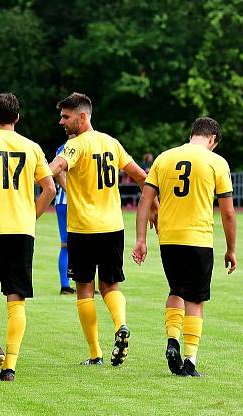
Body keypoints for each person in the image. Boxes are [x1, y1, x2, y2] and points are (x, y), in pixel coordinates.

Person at [48, 92, 151, 367]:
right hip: (113, 227)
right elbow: (142, 177)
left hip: (83, 228)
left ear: (82, 117)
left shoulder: (76, 145)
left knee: (84, 288)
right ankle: (121, 325)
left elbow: (56, 166)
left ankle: (95, 354)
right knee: (110, 285)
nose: (61, 122)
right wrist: (153, 206)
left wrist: (39, 173)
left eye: (66, 116)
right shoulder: (112, 143)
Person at [132, 117, 237, 377]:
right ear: (212, 139)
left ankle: (172, 340)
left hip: (169, 239)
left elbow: (145, 200)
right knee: (196, 299)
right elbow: (228, 213)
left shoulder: (164, 158)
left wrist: (141, 238)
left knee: (175, 290)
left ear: (193, 134)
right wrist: (231, 249)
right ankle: (189, 360)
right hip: (198, 238)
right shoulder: (216, 162)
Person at [0, 93, 56, 382]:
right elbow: (50, 189)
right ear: (17, 117)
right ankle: (10, 368)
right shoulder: (32, 147)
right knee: (16, 299)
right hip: (21, 231)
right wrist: (31, 216)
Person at [54, 133, 75, 296]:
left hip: (75, 202)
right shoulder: (64, 148)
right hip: (66, 202)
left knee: (86, 242)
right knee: (66, 244)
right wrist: (72, 192)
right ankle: (65, 285)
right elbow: (58, 172)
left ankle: (83, 281)